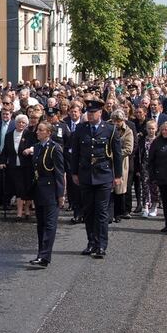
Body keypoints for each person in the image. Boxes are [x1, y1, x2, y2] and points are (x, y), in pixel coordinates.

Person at [72, 100, 123, 259]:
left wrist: (118, 175)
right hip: (86, 175)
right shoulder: (81, 129)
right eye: (88, 112)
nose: (90, 115)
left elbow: (117, 154)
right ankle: (91, 242)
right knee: (88, 211)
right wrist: (74, 173)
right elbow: (75, 153)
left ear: (100, 113)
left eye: (93, 112)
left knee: (101, 212)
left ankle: (101, 245)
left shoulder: (110, 129)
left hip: (103, 175)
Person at [27, 122, 66, 267]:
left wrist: (61, 194)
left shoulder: (55, 148)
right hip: (39, 189)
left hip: (51, 189)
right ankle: (41, 253)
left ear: (48, 133)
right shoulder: (37, 147)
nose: (37, 132)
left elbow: (59, 172)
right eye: (37, 130)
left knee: (49, 225)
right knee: (41, 224)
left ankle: (44, 256)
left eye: (41, 130)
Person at [1, 114, 35, 219]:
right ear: (15, 123)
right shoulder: (9, 135)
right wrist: (2, 162)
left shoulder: (30, 134)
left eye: (23, 122)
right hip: (14, 166)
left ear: (26, 124)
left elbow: (35, 147)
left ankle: (27, 210)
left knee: (28, 187)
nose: (21, 124)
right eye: (19, 122)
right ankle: (19, 212)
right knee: (19, 188)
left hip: (27, 165)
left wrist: (30, 150)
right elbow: (4, 151)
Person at [140, 120, 160, 218]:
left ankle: (154, 206)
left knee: (155, 187)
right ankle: (145, 206)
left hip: (156, 167)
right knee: (145, 186)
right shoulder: (143, 140)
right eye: (149, 128)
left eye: (153, 128)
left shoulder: (158, 140)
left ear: (156, 129)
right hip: (145, 165)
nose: (151, 130)